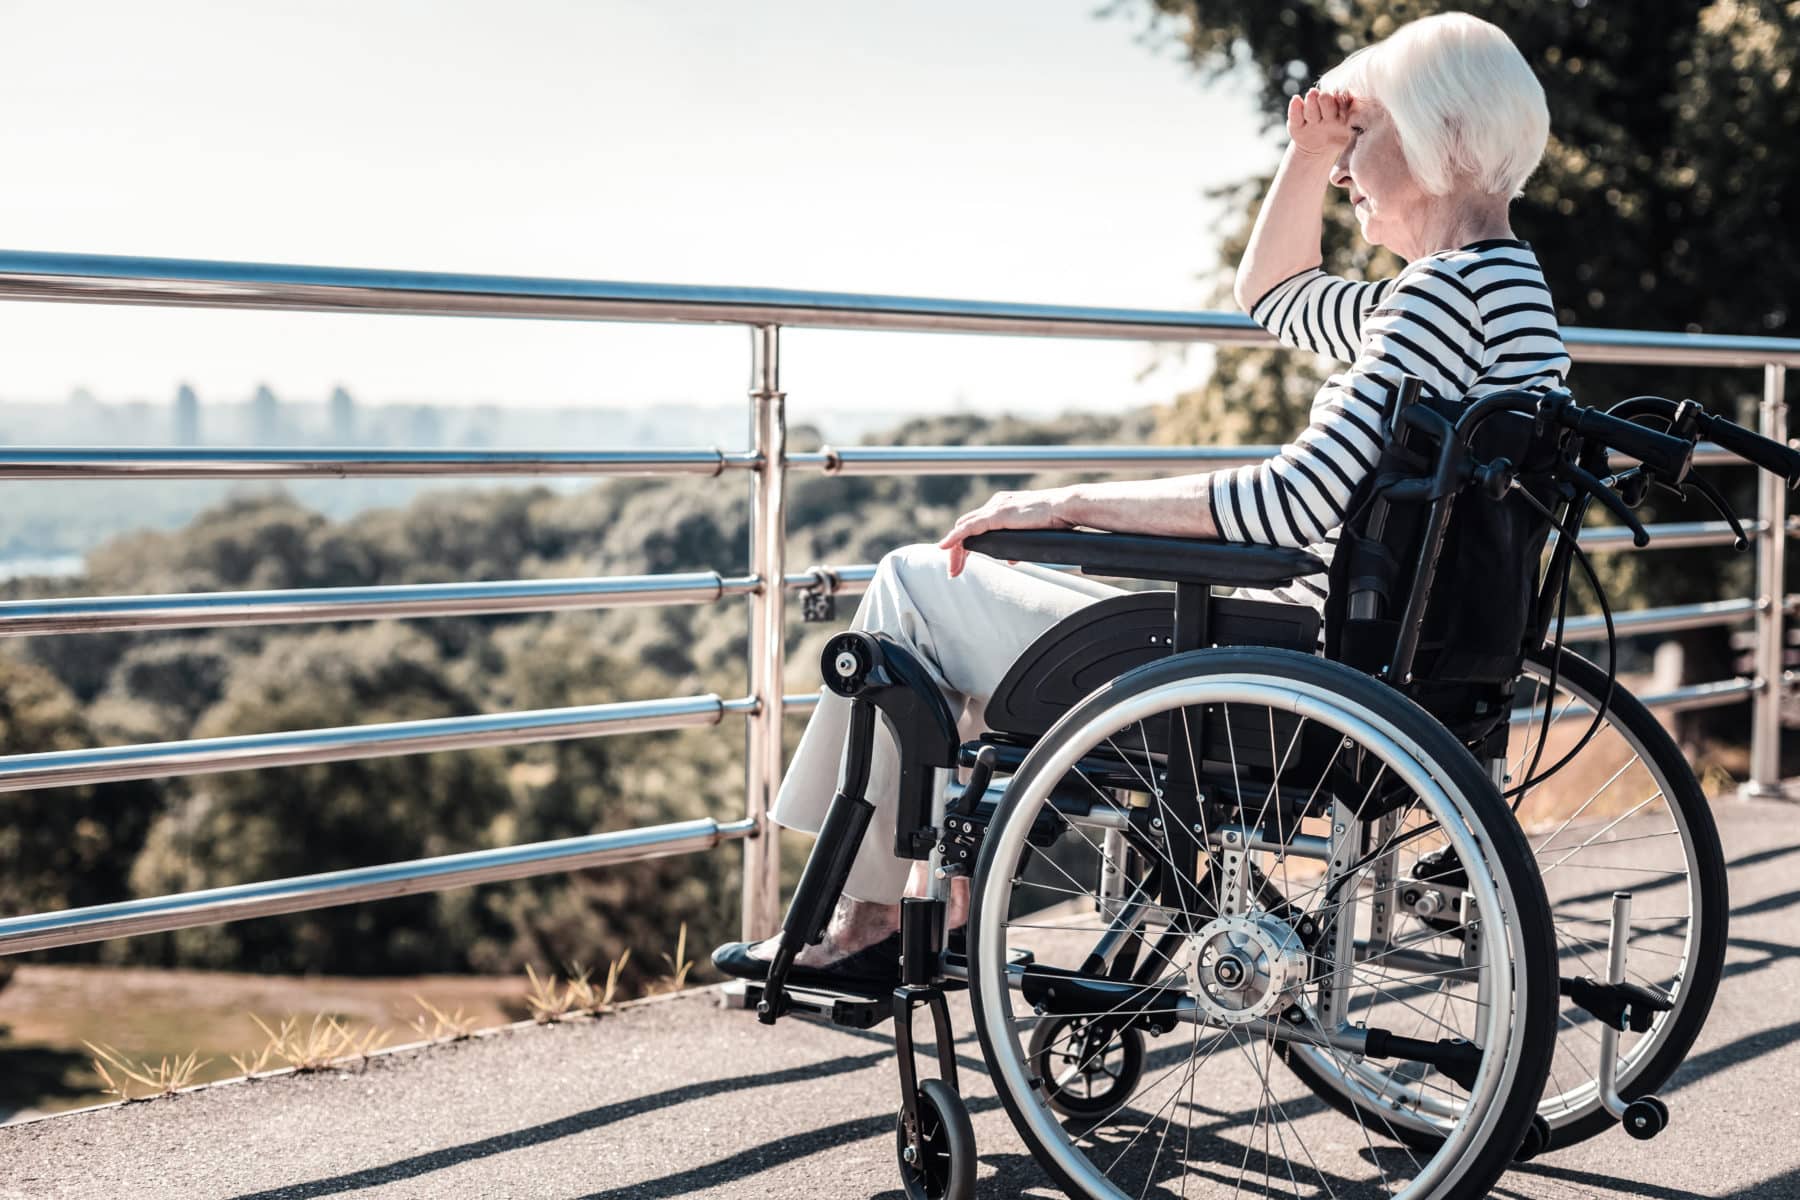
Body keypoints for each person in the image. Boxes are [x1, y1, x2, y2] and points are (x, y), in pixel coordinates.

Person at [713, 11, 1569, 992]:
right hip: (1383, 663)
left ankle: (873, 925)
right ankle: (930, 912)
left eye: (1362, 141)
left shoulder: (1429, 303)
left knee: (913, 589)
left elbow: (1291, 502)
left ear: (1439, 138)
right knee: (975, 637)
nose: (1343, 173)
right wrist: (1309, 150)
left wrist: (1070, 505)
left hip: (1285, 666)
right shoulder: (1504, 297)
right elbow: (1277, 292)